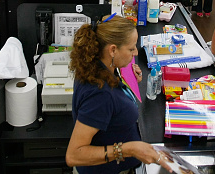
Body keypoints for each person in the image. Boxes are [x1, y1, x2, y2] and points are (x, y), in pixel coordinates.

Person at [66, 15, 172, 174]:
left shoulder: (95, 64)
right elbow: (74, 155)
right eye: (131, 49)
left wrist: (128, 71)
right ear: (113, 49)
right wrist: (128, 150)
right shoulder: (100, 95)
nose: (135, 52)